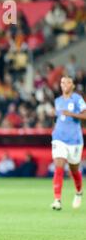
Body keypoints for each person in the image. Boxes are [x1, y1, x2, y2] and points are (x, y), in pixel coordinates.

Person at [51, 76, 86, 211]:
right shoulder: (57, 101)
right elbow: (58, 118)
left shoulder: (77, 99)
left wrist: (72, 114)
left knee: (74, 170)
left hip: (74, 140)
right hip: (59, 138)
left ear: (73, 85)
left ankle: (79, 192)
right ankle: (57, 199)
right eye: (62, 82)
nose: (65, 84)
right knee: (59, 165)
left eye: (68, 82)